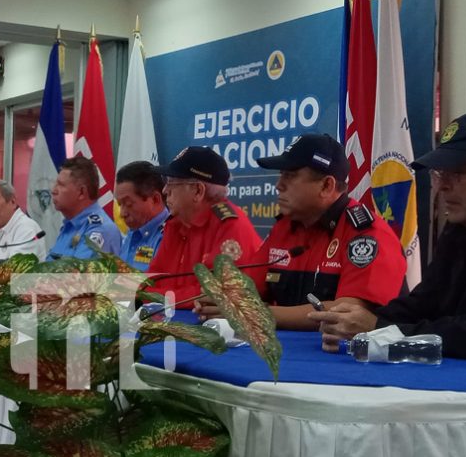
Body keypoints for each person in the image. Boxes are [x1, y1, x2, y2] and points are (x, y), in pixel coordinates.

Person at [309, 112, 466, 361]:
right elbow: (426, 301)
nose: (444, 186)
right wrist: (356, 320)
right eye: (440, 173)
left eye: (459, 172)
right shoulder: (461, 227)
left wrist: (382, 329)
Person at [195, 134, 407, 328]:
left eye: (290, 176)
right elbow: (250, 289)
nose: (278, 185)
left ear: (326, 186)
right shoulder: (285, 227)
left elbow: (346, 314)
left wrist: (253, 313)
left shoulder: (367, 234)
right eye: (281, 175)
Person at [147, 146, 262, 307]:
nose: (165, 190)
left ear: (198, 191)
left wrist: (155, 297)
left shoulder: (231, 226)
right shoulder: (175, 224)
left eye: (172, 182)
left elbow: (212, 294)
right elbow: (151, 281)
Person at [48, 156, 121, 259]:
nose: (53, 190)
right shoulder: (69, 226)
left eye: (61, 185)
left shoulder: (100, 230)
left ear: (81, 192)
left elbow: (79, 273)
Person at [115, 161, 169, 271]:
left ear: (155, 199)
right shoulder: (132, 232)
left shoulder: (169, 236)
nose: (122, 213)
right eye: (120, 204)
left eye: (129, 204)